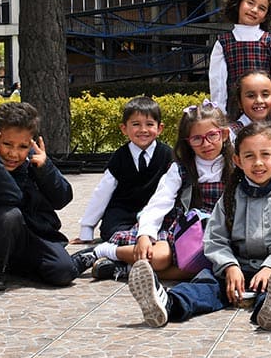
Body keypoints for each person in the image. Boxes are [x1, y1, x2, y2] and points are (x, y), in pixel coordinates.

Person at [127, 122, 271, 330]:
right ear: (237, 161)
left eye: (265, 155)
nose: (258, 163)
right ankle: (168, 303)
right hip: (233, 269)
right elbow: (215, 238)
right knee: (205, 284)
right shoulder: (230, 196)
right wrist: (229, 266)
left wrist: (270, 266)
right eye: (249, 156)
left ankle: (269, 309)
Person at [89, 100, 233, 282]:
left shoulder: (237, 165)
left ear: (225, 134)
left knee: (210, 265)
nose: (206, 144)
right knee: (159, 258)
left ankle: (125, 269)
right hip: (188, 228)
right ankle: (106, 250)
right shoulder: (181, 168)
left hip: (223, 229)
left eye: (213, 135)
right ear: (187, 142)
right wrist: (145, 234)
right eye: (197, 138)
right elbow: (159, 202)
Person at [0, 102, 87, 292]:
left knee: (64, 273)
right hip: (6, 239)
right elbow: (11, 198)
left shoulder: (36, 165)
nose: (13, 153)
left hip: (41, 238)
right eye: (7, 144)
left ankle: (25, 268)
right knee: (9, 215)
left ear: (32, 145)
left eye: (23, 146)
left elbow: (62, 198)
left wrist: (46, 168)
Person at [73, 96, 174, 244]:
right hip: (123, 215)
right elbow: (102, 193)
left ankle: (121, 257)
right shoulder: (119, 157)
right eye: (136, 124)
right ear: (124, 129)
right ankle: (114, 251)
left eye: (149, 124)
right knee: (115, 234)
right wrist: (86, 229)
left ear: (159, 128)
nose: (143, 130)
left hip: (156, 214)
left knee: (165, 238)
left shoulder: (168, 155)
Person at [208, 0, 271, 115]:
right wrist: (219, 110)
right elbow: (218, 82)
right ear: (239, 4)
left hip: (265, 110)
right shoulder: (223, 43)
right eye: (250, 3)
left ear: (265, 17)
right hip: (234, 110)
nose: (254, 10)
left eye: (262, 8)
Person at [228, 70, 271, 139]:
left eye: (265, 94)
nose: (259, 101)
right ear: (239, 102)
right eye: (251, 96)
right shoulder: (231, 134)